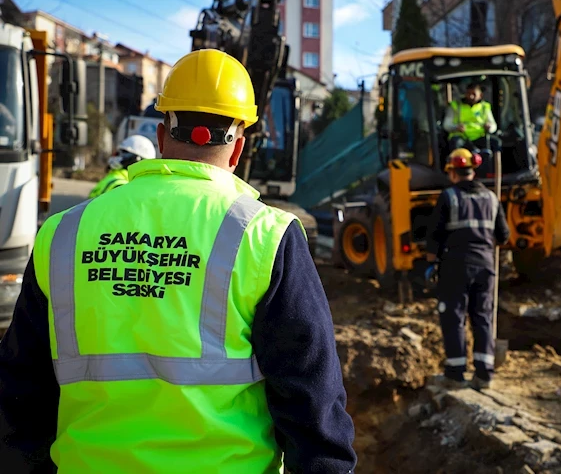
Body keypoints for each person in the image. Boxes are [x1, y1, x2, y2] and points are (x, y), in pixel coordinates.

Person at [0, 48, 357, 474]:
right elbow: (313, 408)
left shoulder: (63, 234)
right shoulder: (267, 236)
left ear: (162, 136)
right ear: (238, 146)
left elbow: (19, 399)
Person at [425, 148, 510, 391]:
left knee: (454, 318)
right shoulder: (492, 198)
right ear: (473, 171)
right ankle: (484, 375)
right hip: (485, 266)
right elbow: (503, 236)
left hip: (456, 267)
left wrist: (432, 264)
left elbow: (435, 236)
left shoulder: (449, 197)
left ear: (453, 172)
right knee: (482, 318)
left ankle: (456, 373)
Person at [88, 134, 156, 198]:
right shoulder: (122, 187)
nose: (117, 156)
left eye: (124, 153)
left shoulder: (112, 178)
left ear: (136, 160)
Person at [443, 82, 500, 153]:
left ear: (480, 95)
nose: (470, 96)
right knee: (455, 143)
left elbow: (493, 125)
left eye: (474, 94)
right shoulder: (455, 106)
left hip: (479, 137)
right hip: (461, 137)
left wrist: (489, 127)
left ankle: (496, 163)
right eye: (468, 93)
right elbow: (446, 125)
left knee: (496, 142)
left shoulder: (484, 107)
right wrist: (456, 127)